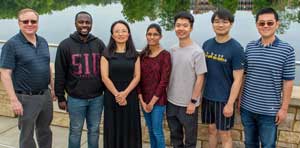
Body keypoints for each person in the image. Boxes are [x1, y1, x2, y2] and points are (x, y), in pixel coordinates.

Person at [240, 7, 295, 148]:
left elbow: (288, 82)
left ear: (277, 24)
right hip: (247, 108)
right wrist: (240, 99)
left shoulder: (287, 50)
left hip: (270, 112)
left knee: (268, 145)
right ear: (257, 25)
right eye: (262, 23)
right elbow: (245, 75)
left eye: (270, 23)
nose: (265, 26)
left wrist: (284, 109)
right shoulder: (250, 47)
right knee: (249, 144)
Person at [0, 8, 55, 148]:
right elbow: (5, 73)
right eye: (25, 21)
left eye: (33, 21)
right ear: (19, 23)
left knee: (45, 131)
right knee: (27, 135)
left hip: (45, 95)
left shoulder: (43, 41)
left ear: (38, 23)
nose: (29, 24)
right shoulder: (11, 45)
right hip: (26, 98)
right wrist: (14, 100)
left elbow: (47, 65)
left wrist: (52, 88)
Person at [54, 11, 105, 148]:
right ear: (75, 23)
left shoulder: (99, 44)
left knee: (94, 130)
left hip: (97, 98)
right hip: (75, 99)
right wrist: (60, 97)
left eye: (87, 22)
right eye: (81, 22)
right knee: (75, 131)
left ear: (91, 24)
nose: (84, 25)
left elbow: (106, 71)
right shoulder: (65, 45)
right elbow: (60, 73)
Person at [201, 8, 245, 148]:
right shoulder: (207, 44)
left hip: (224, 100)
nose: (220, 25)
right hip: (208, 97)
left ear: (231, 24)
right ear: (212, 24)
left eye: (224, 22)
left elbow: (238, 79)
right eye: (217, 21)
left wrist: (230, 103)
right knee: (211, 130)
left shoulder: (236, 48)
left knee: (225, 134)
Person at [167, 11, 207, 148]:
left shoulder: (197, 52)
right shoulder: (172, 50)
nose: (181, 29)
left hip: (188, 105)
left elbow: (200, 78)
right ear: (174, 27)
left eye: (185, 25)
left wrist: (193, 101)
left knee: (190, 140)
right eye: (178, 25)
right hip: (171, 101)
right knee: (175, 137)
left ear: (191, 28)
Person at [100, 20, 142, 148]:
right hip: (112, 97)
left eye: (124, 31)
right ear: (112, 35)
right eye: (117, 31)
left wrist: (125, 94)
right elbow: (105, 77)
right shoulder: (106, 55)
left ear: (128, 34)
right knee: (113, 127)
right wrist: (118, 95)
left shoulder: (135, 55)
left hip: (130, 97)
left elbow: (137, 77)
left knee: (130, 128)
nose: (120, 34)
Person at [137, 23, 171, 148]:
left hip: (158, 101)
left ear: (160, 37)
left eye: (155, 34)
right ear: (146, 36)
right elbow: (138, 78)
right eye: (149, 34)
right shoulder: (142, 55)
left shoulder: (165, 55)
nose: (152, 37)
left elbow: (164, 81)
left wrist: (152, 102)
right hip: (144, 100)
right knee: (150, 130)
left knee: (157, 132)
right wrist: (142, 100)